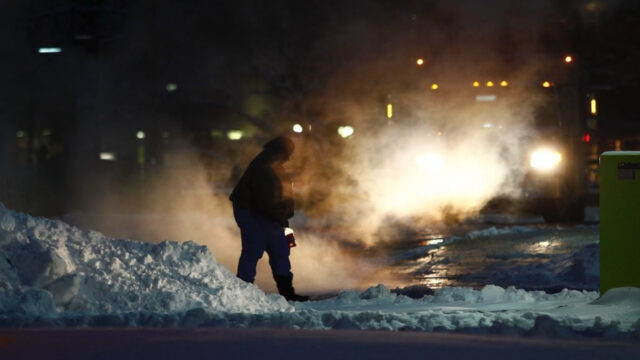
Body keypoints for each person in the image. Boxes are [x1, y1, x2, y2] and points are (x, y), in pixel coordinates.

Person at [229, 136, 309, 301]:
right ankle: (243, 292)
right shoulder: (264, 167)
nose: (288, 158)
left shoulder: (274, 165)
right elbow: (265, 199)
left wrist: (284, 216)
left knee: (280, 250)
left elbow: (281, 195)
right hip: (252, 213)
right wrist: (280, 216)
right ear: (280, 152)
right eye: (287, 154)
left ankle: (287, 292)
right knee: (253, 250)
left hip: (269, 215)